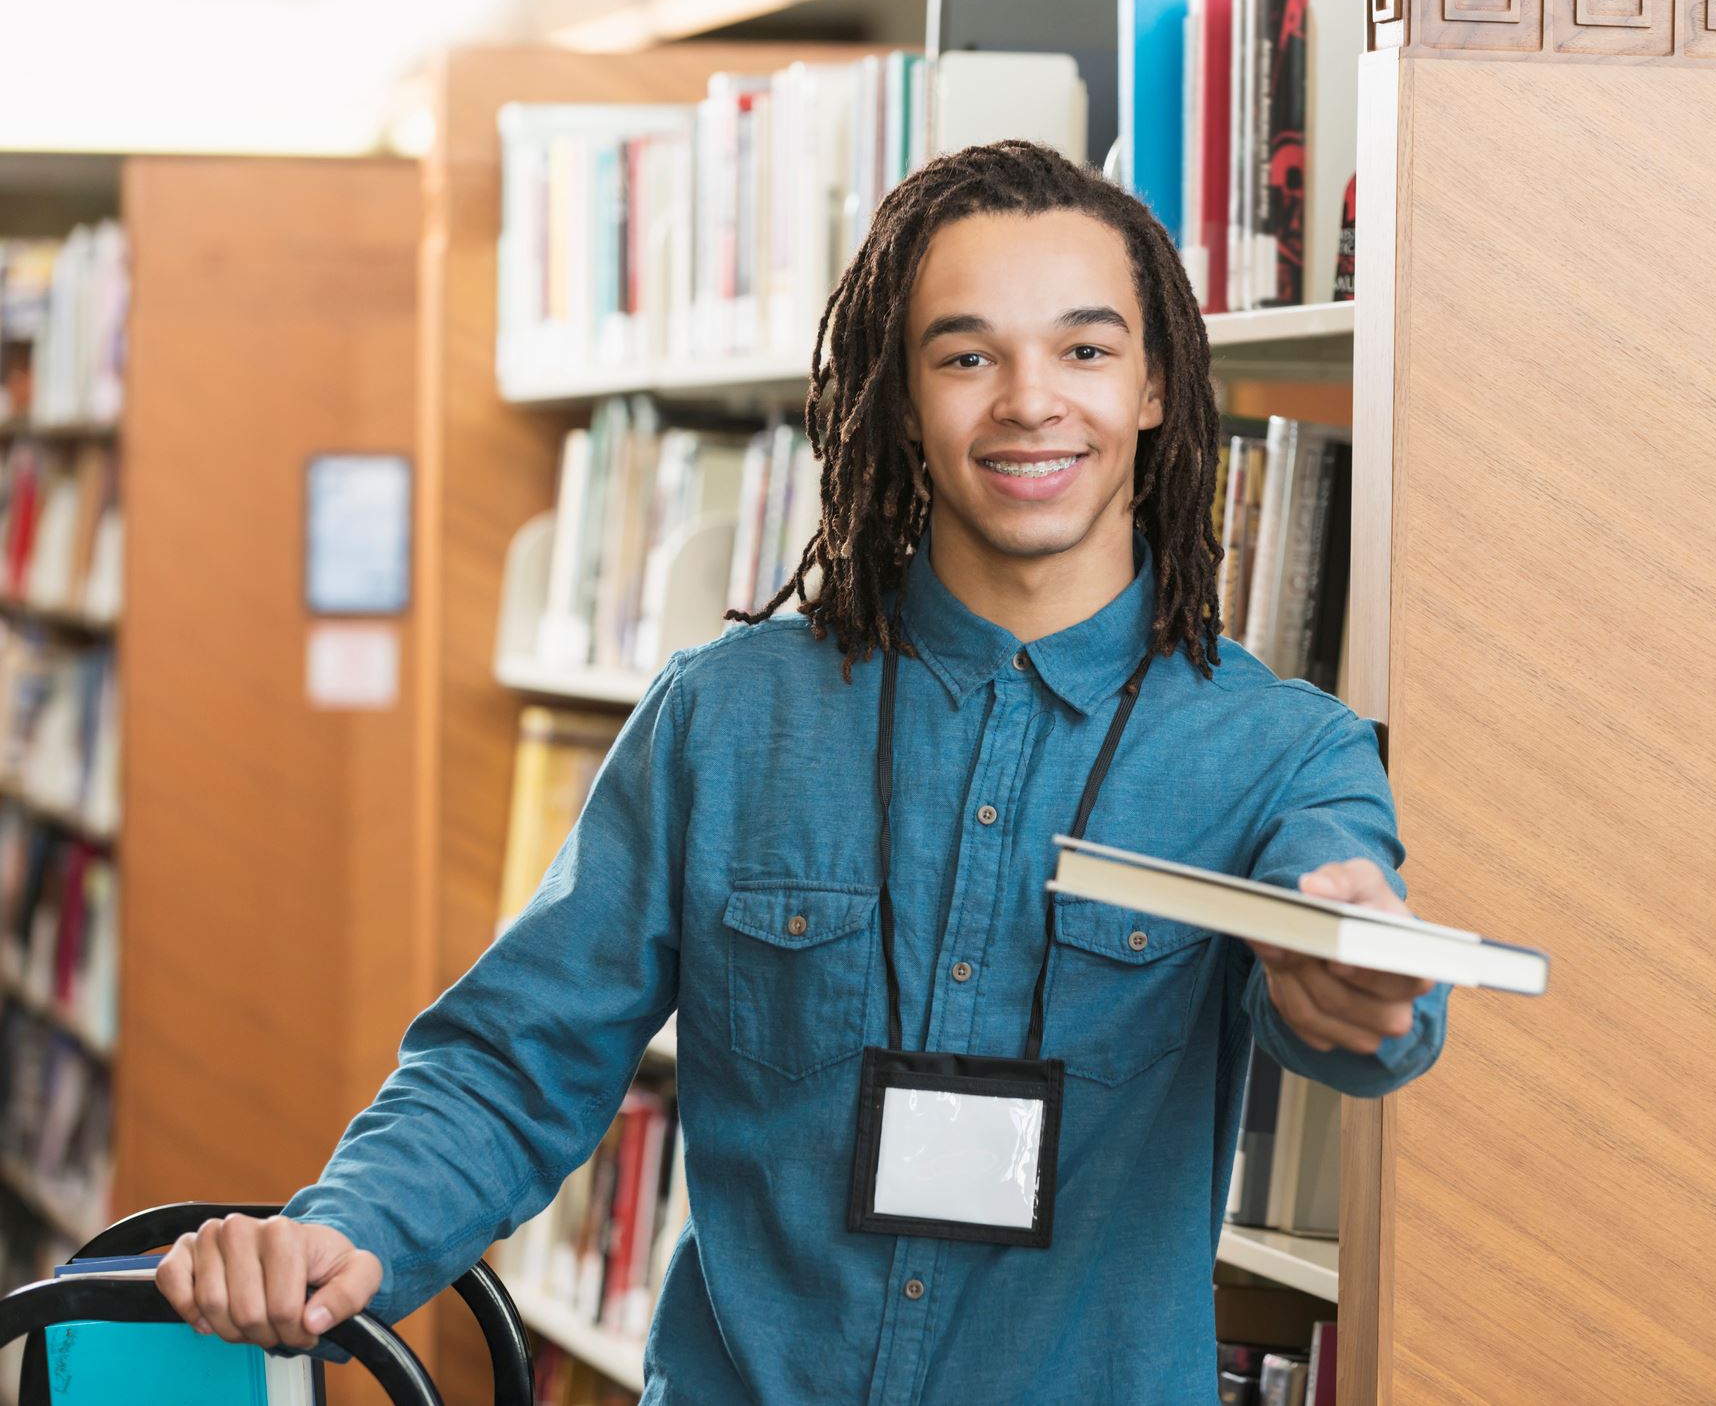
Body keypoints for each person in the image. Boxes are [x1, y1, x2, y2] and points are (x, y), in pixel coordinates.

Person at [154, 139, 1454, 1402]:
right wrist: (352, 1227)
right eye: (966, 355)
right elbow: (515, 1052)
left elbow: (1364, 978)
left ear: (1158, 383)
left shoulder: (1284, 750)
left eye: (1084, 348)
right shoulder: (723, 716)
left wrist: (1359, 978)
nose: (1029, 398)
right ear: (902, 392)